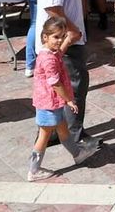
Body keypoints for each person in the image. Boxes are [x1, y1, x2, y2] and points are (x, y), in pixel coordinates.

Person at [39, 0, 96, 153]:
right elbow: (52, 5)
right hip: (64, 39)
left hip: (63, 36)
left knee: (69, 83)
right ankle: (73, 135)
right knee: (75, 83)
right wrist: (72, 31)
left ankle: (57, 130)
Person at [28, 14, 92, 179]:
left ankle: (78, 154)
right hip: (48, 104)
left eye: (62, 37)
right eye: (56, 37)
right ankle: (34, 170)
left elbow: (58, 54)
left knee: (63, 131)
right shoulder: (48, 59)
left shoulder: (49, 53)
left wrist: (67, 41)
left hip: (52, 104)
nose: (59, 41)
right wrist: (69, 100)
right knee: (44, 136)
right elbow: (55, 82)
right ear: (45, 37)